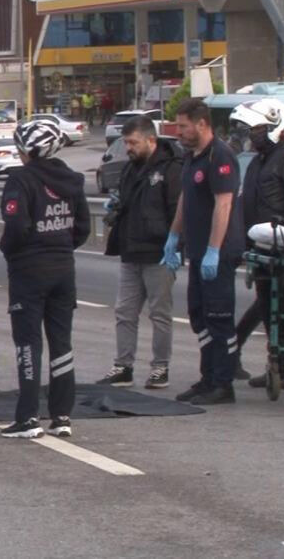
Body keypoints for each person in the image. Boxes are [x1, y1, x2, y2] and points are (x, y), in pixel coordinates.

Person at [0, 120, 90, 438]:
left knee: (28, 343)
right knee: (61, 341)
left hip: (28, 270)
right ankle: (62, 415)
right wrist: (60, 245)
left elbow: (15, 226)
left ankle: (28, 418)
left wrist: (11, 251)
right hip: (64, 268)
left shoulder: (20, 180)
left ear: (27, 150)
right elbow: (83, 228)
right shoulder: (72, 180)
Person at [161, 98, 244, 405]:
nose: (178, 131)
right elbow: (186, 198)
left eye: (183, 126)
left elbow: (224, 204)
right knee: (200, 315)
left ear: (201, 124)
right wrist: (173, 236)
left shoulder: (220, 156)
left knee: (219, 317)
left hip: (218, 252)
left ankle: (223, 383)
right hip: (196, 250)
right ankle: (207, 377)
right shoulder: (191, 156)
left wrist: (213, 250)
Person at [231, 99, 284, 390]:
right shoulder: (259, 161)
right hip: (263, 249)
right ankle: (279, 367)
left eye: (255, 129)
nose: (250, 136)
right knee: (269, 311)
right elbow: (248, 203)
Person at [100, 115, 182, 389]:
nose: (129, 148)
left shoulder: (170, 169)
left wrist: (176, 245)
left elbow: (177, 210)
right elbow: (123, 200)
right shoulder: (130, 169)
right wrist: (114, 207)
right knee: (124, 312)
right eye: (126, 143)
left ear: (151, 140)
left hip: (159, 253)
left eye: (133, 143)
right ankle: (123, 366)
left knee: (160, 314)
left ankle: (160, 367)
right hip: (131, 250)